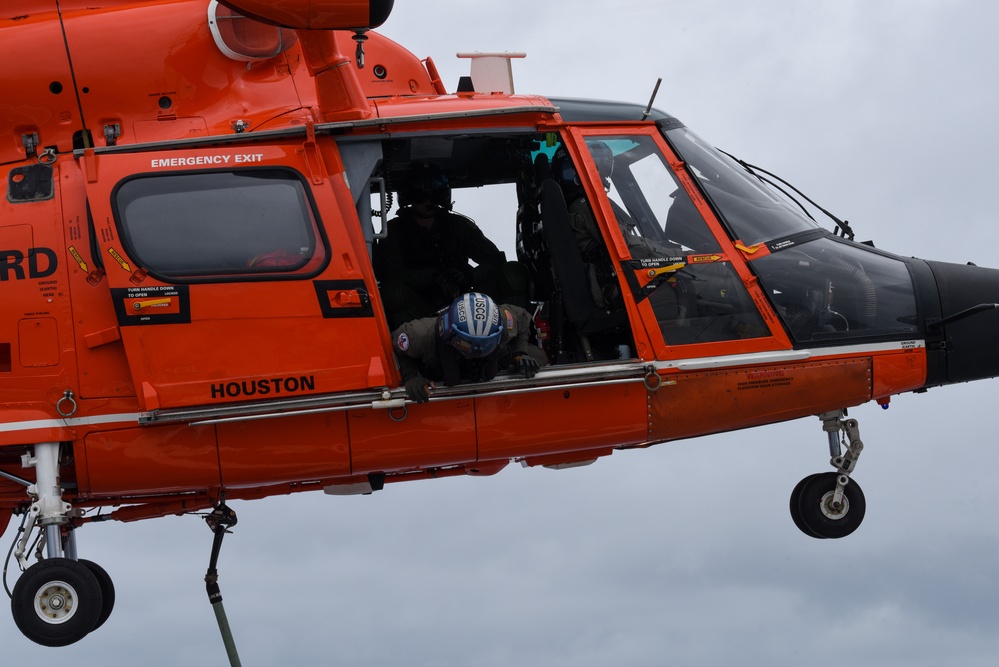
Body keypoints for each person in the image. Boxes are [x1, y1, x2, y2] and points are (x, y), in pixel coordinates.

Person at [374, 163, 526, 328]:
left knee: (513, 274)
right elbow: (390, 275)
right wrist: (432, 278)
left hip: (468, 300)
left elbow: (495, 260)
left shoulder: (457, 225)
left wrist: (470, 277)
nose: (428, 201)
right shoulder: (394, 231)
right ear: (409, 197)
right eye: (420, 195)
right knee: (393, 293)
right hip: (419, 306)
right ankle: (408, 345)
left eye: (434, 194)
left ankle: (512, 335)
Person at [391, 292, 548, 403]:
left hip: (493, 350)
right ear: (450, 332)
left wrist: (519, 354)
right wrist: (410, 376)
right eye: (468, 345)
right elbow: (394, 346)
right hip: (440, 361)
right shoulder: (419, 335)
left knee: (538, 359)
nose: (475, 354)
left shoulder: (504, 320)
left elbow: (523, 318)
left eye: (481, 347)